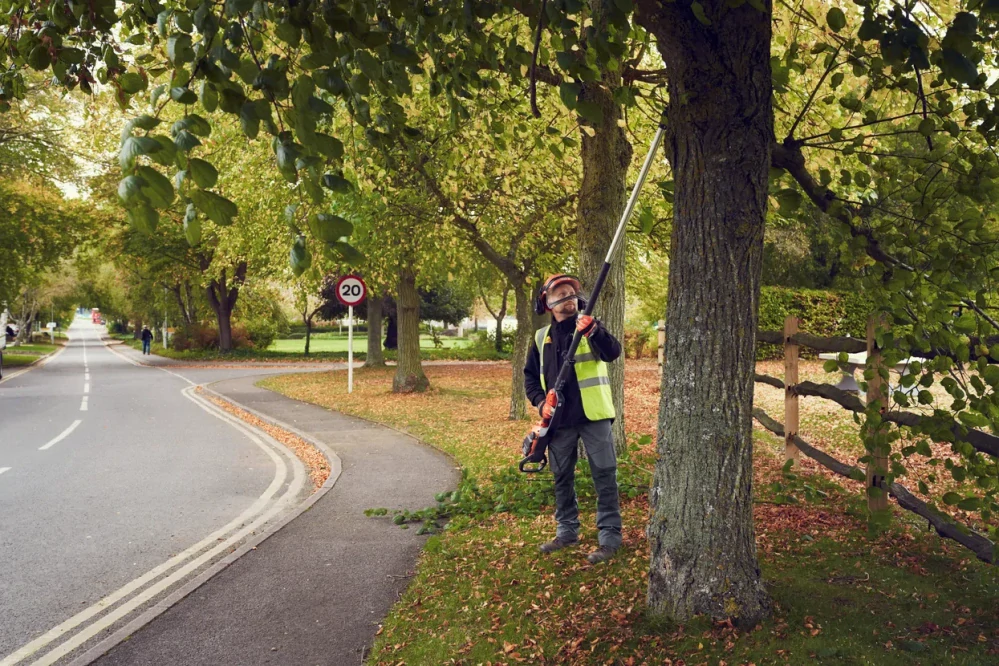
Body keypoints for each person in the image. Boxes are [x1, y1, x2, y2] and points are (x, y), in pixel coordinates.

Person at [524, 274, 623, 564]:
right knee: (562, 476)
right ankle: (566, 531)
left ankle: (610, 536)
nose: (567, 296)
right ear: (547, 303)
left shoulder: (589, 326)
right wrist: (541, 404)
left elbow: (613, 352)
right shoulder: (541, 338)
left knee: (604, 473)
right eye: (560, 293)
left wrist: (595, 331)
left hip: (594, 415)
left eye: (571, 292)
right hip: (558, 421)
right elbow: (530, 378)